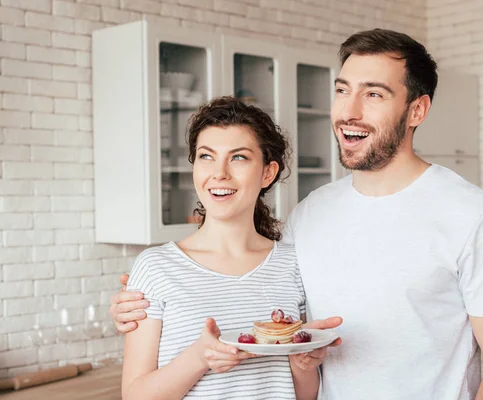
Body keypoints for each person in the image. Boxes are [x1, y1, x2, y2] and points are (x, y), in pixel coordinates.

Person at [110, 28, 483, 400]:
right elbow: (265, 307)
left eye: (374, 94)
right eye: (342, 90)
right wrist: (143, 300)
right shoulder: (309, 215)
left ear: (417, 110)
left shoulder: (471, 215)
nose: (349, 110)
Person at [121, 96, 342, 400]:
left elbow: (305, 396)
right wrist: (199, 357)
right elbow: (135, 395)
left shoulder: (293, 264)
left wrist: (303, 365)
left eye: (238, 157)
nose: (219, 173)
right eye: (206, 156)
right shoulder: (156, 267)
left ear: (268, 172)